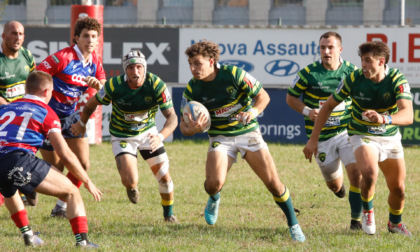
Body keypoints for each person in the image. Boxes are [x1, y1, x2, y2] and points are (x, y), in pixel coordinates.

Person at [179, 41, 305, 242]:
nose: (193, 69)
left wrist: (253, 111)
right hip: (220, 136)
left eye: (197, 63)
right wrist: (192, 129)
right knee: (213, 184)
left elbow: (263, 96)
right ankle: (214, 198)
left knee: (273, 184)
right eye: (190, 64)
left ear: (211, 61)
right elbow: (183, 127)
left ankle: (294, 224)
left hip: (247, 133)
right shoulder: (193, 88)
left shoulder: (234, 74)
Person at [303, 41, 413, 236]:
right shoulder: (353, 78)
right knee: (369, 174)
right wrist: (313, 139)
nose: (363, 65)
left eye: (368, 61)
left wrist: (384, 119)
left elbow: (408, 115)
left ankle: (394, 224)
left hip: (389, 136)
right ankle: (367, 211)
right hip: (362, 134)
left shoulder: (396, 79)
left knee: (398, 188)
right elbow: (327, 106)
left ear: (381, 61)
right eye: (362, 60)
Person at [71, 50, 179, 222]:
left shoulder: (156, 84)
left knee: (164, 177)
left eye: (138, 67)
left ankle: (168, 215)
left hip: (148, 133)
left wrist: (161, 136)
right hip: (122, 136)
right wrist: (82, 123)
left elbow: (172, 118)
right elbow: (91, 104)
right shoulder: (114, 85)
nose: (135, 72)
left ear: (144, 68)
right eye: (130, 68)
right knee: (130, 181)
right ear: (125, 69)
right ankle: (131, 186)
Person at [0, 71, 102, 247]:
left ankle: (29, 235)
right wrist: (87, 181)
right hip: (19, 160)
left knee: (8, 189)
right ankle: (83, 242)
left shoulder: (6, 107)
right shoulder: (46, 112)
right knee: (71, 191)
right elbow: (65, 153)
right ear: (47, 92)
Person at [286, 31, 362, 230]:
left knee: (357, 174)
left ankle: (356, 221)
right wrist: (306, 111)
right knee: (335, 185)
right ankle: (338, 188)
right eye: (322, 47)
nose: (326, 51)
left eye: (330, 47)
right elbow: (290, 98)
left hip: (346, 133)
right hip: (320, 137)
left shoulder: (352, 72)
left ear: (340, 49)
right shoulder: (308, 73)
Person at [36, 17, 106, 217]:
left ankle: (60, 208)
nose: (90, 40)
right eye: (86, 36)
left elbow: (104, 86)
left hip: (71, 116)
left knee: (82, 164)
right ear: (76, 38)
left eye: (94, 37)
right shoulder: (62, 57)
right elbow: (37, 76)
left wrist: (99, 86)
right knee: (55, 168)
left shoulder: (94, 63)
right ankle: (27, 185)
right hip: (48, 117)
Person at [0, 20, 38, 206]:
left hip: (22, 116)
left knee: (22, 152)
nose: (18, 38)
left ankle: (25, 187)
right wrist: (8, 107)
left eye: (21, 34)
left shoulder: (26, 55)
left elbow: (34, 81)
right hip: (4, 117)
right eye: (14, 33)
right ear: (3, 36)